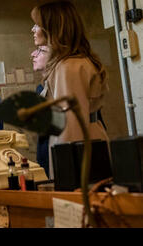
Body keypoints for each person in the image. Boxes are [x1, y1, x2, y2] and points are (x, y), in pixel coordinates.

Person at [31, 1, 109, 179]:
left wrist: (65, 174)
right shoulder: (70, 63)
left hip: (78, 148)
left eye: (37, 25)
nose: (33, 30)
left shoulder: (69, 66)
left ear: (53, 28)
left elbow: (70, 124)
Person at [31, 45, 51, 177]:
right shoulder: (40, 89)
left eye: (41, 51)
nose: (33, 54)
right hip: (45, 155)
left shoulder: (61, 85)